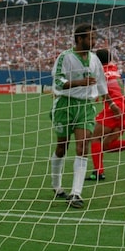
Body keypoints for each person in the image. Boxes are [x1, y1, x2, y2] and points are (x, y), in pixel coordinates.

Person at [50, 24, 109, 209]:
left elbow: (101, 82)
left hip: (85, 107)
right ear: (79, 39)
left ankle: (76, 193)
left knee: (83, 146)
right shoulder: (65, 56)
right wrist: (79, 82)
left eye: (94, 38)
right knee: (62, 147)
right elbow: (57, 81)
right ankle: (57, 186)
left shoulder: (94, 60)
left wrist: (112, 104)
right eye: (90, 38)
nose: (93, 42)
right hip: (65, 105)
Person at [87, 48, 125, 182]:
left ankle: (98, 172)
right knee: (106, 146)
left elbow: (98, 88)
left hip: (113, 109)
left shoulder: (98, 72)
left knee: (95, 138)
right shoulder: (113, 67)